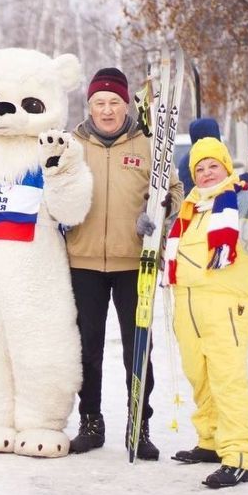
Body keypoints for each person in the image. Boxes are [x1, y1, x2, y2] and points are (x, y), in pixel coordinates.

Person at [65, 67, 183, 459]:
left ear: (126, 103)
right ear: (90, 106)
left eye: (114, 101)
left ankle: (139, 424)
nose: (107, 110)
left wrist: (160, 212)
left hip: (135, 261)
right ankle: (91, 422)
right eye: (99, 102)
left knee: (138, 348)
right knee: (87, 348)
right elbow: (55, 188)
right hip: (82, 261)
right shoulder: (73, 145)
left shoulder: (148, 144)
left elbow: (175, 190)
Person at [166, 138, 248, 488]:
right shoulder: (189, 209)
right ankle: (211, 440)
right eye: (199, 169)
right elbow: (174, 256)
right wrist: (150, 233)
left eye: (212, 166)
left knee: (227, 379)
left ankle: (237, 456)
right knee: (199, 375)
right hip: (187, 304)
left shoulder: (243, 200)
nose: (206, 174)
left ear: (226, 167)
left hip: (226, 306)